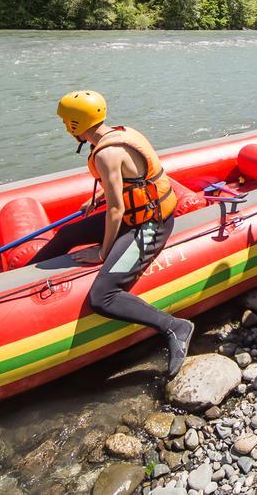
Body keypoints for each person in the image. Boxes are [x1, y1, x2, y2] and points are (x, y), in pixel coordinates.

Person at [32, 90, 194, 377]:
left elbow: (117, 210)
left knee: (102, 296)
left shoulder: (106, 153)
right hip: (135, 214)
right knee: (67, 235)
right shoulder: (121, 132)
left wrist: (102, 252)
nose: (63, 127)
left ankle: (175, 327)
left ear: (75, 124)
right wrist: (100, 198)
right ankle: (18, 280)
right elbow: (133, 182)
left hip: (150, 225)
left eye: (65, 122)